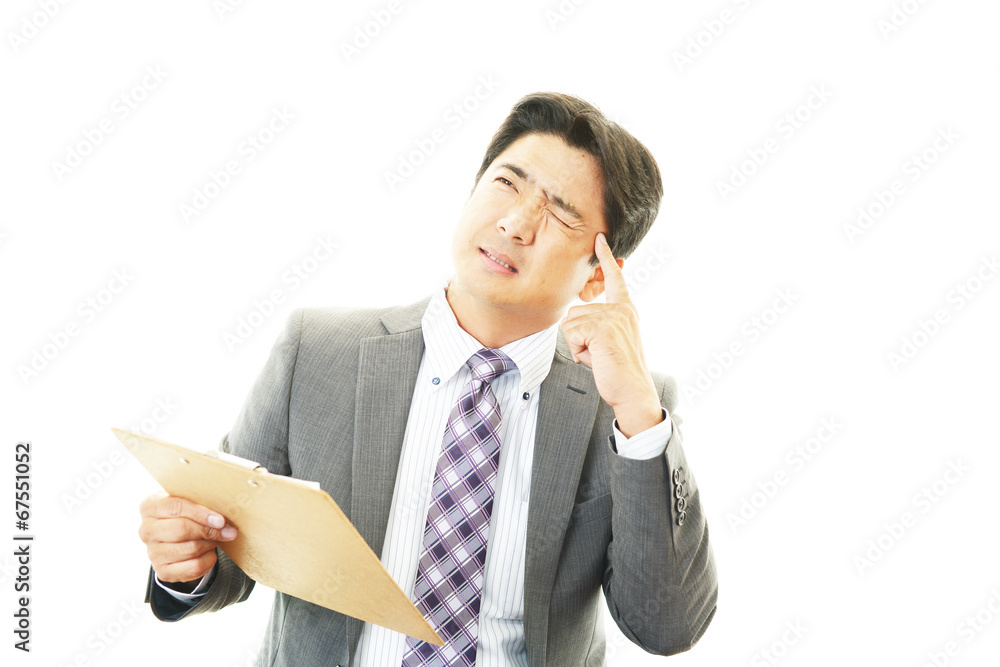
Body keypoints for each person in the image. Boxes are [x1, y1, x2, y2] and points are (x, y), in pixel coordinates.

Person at [137, 91, 718, 666]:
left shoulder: (629, 411)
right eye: (506, 183)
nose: (516, 223)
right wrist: (186, 561)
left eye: (561, 214)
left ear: (598, 275)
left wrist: (637, 413)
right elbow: (229, 547)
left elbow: (667, 626)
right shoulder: (316, 352)